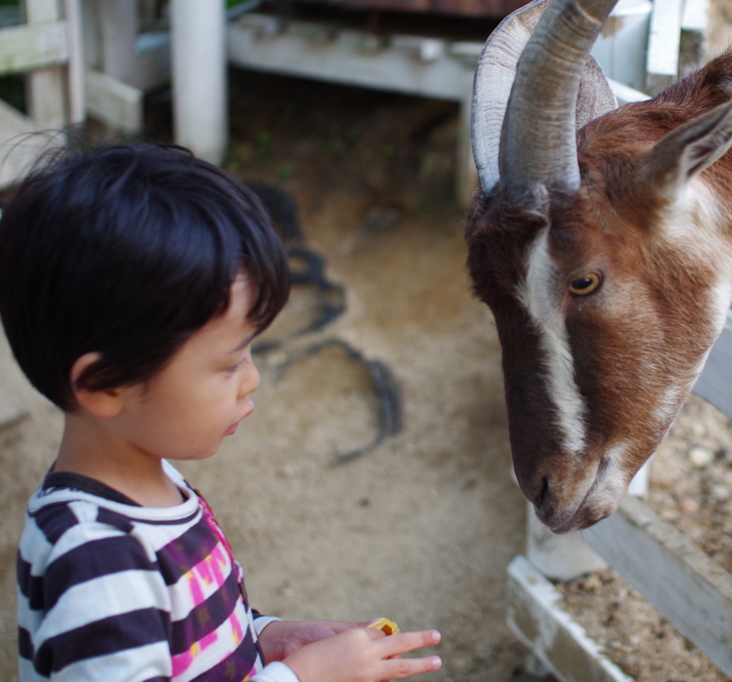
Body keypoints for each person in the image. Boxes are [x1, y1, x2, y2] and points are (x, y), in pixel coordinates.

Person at [0, 143, 443, 682]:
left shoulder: (152, 481)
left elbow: (190, 642)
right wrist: (303, 679)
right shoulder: (97, 564)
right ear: (106, 384)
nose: (253, 377)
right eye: (229, 363)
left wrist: (268, 637)